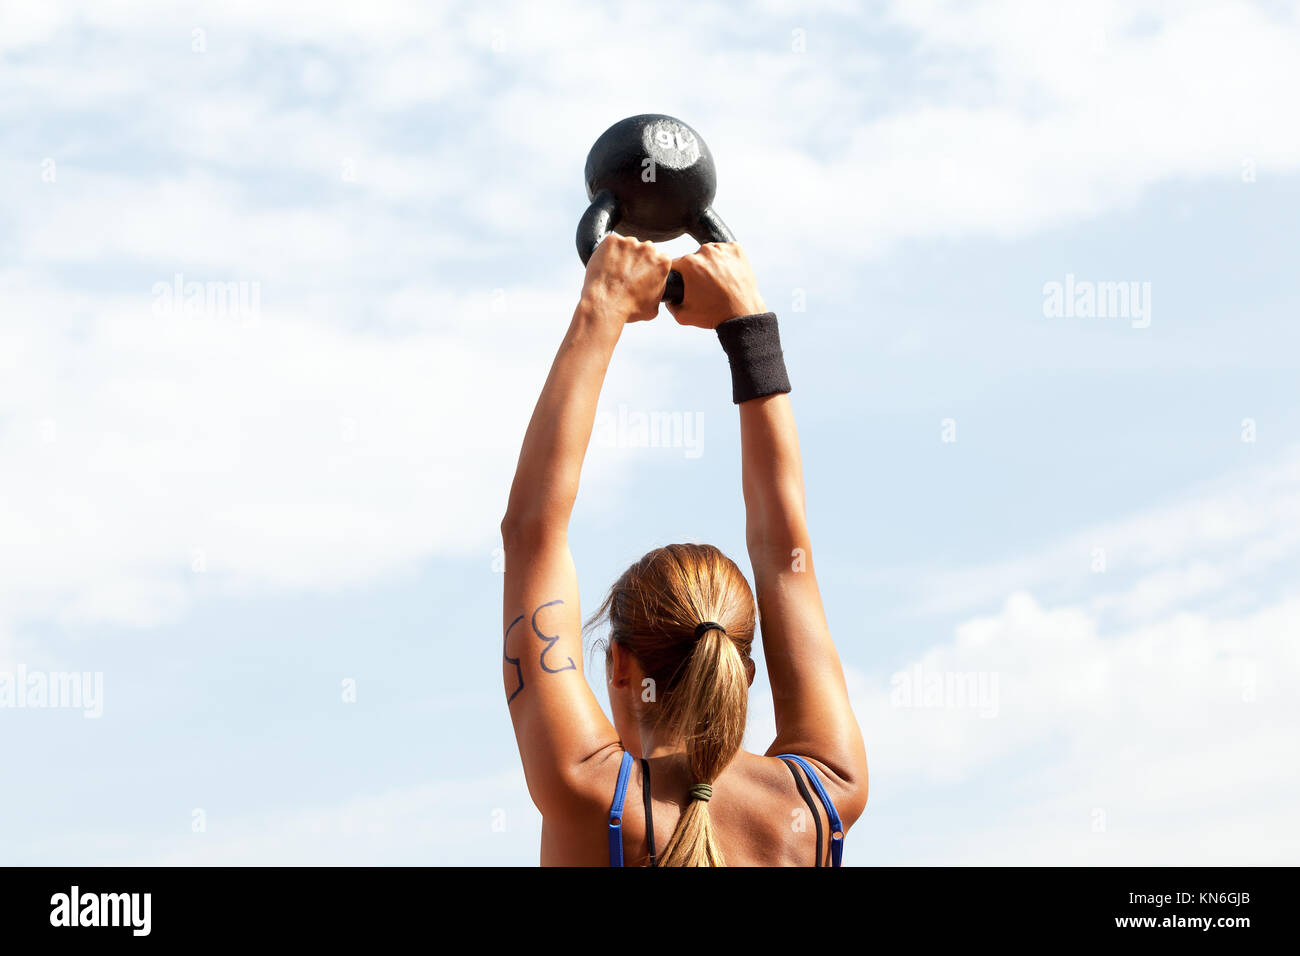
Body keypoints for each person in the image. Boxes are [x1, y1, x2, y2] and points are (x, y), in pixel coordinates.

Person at [500, 235, 868, 866]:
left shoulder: (591, 792)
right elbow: (786, 552)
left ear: (619, 665)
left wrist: (604, 305)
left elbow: (534, 535)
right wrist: (746, 323)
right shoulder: (822, 798)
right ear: (743, 672)